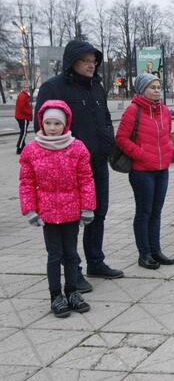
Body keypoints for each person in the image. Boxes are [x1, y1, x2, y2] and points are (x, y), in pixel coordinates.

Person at [35, 40, 123, 292]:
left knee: (98, 213)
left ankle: (96, 261)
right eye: (86, 60)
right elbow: (42, 126)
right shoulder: (54, 88)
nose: (91, 65)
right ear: (72, 61)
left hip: (97, 162)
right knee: (72, 220)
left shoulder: (97, 87)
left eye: (93, 61)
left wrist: (109, 140)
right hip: (68, 167)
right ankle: (74, 272)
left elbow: (105, 118)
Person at [19, 101, 95, 317]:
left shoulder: (77, 147)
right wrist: (30, 210)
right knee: (55, 255)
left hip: (71, 209)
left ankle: (72, 291)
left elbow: (86, 179)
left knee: (71, 254)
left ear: (66, 124)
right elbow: (26, 182)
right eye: (48, 123)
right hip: (48, 212)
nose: (52, 128)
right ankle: (56, 296)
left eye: (57, 123)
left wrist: (88, 207)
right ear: (41, 123)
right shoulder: (32, 150)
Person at [116, 73, 174, 269]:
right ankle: (144, 254)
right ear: (143, 90)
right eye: (152, 87)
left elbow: (168, 135)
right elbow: (121, 139)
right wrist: (141, 154)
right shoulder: (134, 110)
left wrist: (169, 151)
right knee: (144, 212)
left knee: (156, 212)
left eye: (159, 87)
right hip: (142, 171)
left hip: (162, 169)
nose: (157, 90)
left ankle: (156, 250)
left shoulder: (165, 111)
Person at [15, 80, 33, 154]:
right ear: (22, 87)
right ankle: (19, 148)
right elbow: (22, 107)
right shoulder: (23, 96)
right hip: (23, 117)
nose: (27, 88)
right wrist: (29, 112)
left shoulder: (23, 95)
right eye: (25, 87)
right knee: (23, 133)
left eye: (27, 87)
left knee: (23, 132)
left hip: (21, 116)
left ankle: (23, 146)